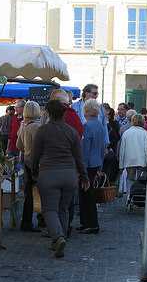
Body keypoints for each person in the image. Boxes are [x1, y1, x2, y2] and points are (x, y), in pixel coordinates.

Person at [32, 100, 88, 258]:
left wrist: (34, 171)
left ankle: (57, 237)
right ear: (64, 113)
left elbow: (35, 156)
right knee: (63, 209)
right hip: (69, 175)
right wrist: (84, 176)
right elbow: (79, 158)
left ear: (48, 113)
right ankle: (60, 240)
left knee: (49, 210)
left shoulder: (42, 131)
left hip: (49, 174)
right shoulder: (72, 132)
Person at [78, 99, 106, 234]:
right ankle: (86, 222)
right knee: (88, 194)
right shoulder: (100, 126)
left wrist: (81, 169)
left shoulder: (87, 126)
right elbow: (102, 147)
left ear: (86, 111)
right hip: (96, 163)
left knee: (86, 194)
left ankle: (91, 223)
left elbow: (85, 150)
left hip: (88, 164)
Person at [16, 101, 41, 232]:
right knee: (40, 192)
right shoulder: (38, 127)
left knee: (28, 194)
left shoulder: (23, 126)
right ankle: (43, 220)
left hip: (26, 162)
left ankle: (26, 222)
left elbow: (18, 146)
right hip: (37, 163)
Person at [119, 114, 147, 195]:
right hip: (141, 162)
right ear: (143, 122)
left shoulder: (126, 133)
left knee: (130, 180)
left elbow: (122, 150)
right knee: (140, 181)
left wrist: (121, 165)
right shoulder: (145, 134)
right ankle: (138, 198)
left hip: (129, 162)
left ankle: (129, 197)